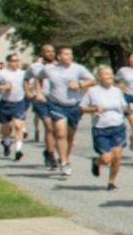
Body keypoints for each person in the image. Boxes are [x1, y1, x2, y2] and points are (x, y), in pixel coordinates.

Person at [40, 45, 95, 178]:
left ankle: (65, 157)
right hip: (56, 105)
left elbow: (92, 80)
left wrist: (79, 85)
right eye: (66, 54)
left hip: (74, 105)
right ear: (58, 56)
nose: (69, 56)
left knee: (70, 137)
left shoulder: (78, 68)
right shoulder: (49, 69)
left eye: (70, 54)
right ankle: (64, 163)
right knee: (60, 133)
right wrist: (39, 93)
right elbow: (39, 78)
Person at [80, 66, 133, 190]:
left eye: (111, 74)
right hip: (101, 128)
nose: (109, 76)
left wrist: (130, 106)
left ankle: (111, 182)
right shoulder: (92, 91)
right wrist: (94, 109)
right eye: (106, 74)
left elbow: (123, 106)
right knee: (106, 158)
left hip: (118, 127)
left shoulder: (117, 91)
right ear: (99, 77)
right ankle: (97, 162)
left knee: (117, 156)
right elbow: (82, 108)